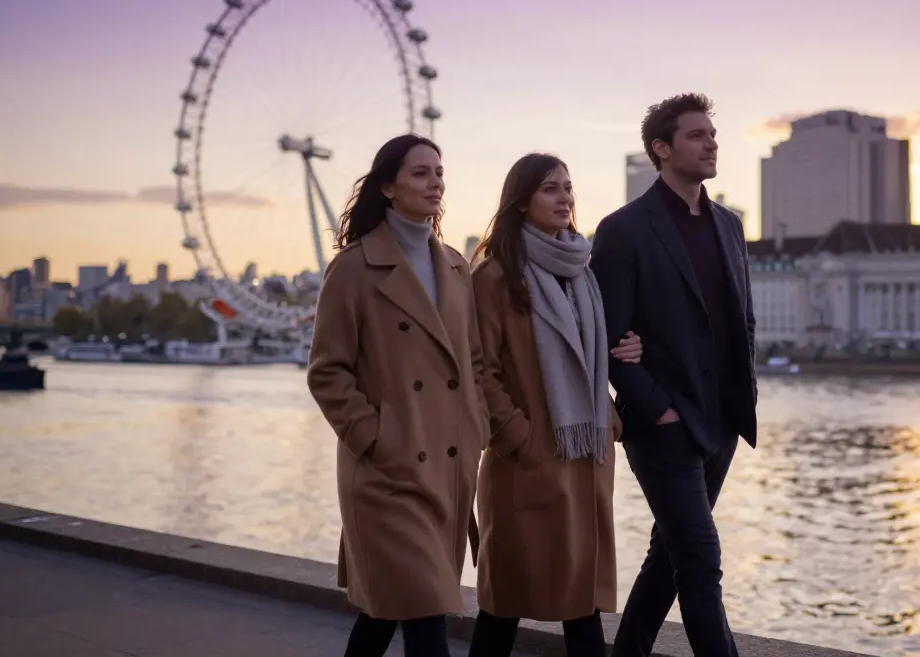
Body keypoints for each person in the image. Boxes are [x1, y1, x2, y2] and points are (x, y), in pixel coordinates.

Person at [589, 94, 758, 657]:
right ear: (661, 149)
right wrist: (654, 405)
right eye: (696, 135)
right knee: (701, 559)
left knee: (671, 554)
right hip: (664, 423)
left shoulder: (730, 226)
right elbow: (608, 338)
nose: (711, 143)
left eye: (713, 134)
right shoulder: (624, 229)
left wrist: (742, 398)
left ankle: (628, 651)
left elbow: (743, 322)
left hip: (722, 422)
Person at [306, 134, 488, 657]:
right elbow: (327, 372)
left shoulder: (455, 265)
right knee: (425, 613)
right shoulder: (354, 268)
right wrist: (376, 439)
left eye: (439, 171)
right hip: (387, 474)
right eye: (420, 173)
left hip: (447, 468)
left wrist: (475, 430)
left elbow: (471, 360)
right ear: (388, 187)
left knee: (390, 610)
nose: (436, 182)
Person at [468, 153, 643, 657]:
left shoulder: (580, 272)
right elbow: (480, 370)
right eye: (549, 188)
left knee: (581, 606)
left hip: (583, 458)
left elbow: (595, 358)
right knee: (503, 607)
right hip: (527, 464)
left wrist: (607, 413)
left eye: (568, 187)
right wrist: (517, 436)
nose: (564, 197)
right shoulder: (495, 276)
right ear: (521, 201)